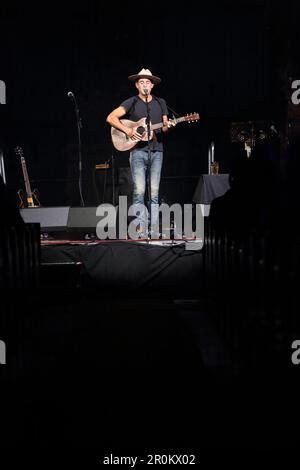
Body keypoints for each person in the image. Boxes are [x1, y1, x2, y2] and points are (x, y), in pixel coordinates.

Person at [106, 68, 175, 238]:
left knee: (154, 191)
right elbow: (111, 118)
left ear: (152, 85)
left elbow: (165, 127)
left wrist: (169, 126)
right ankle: (140, 227)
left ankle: (154, 228)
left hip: (157, 151)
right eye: (141, 82)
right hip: (137, 152)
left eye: (148, 82)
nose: (145, 84)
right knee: (139, 190)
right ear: (137, 85)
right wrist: (128, 131)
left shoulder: (161, 103)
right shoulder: (132, 102)